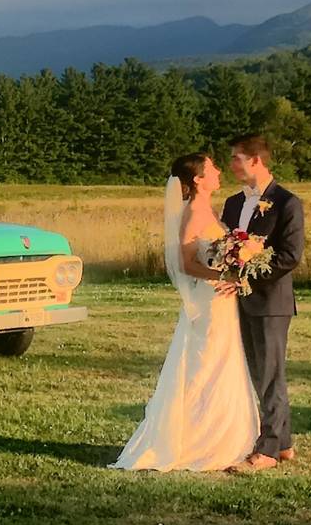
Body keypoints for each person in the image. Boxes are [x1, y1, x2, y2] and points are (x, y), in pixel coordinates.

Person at [109, 154, 259, 471]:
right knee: (205, 364)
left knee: (221, 362)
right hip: (208, 299)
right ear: (198, 180)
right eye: (212, 168)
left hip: (221, 299)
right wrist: (225, 276)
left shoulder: (208, 210)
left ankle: (221, 436)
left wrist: (238, 262)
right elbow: (187, 263)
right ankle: (196, 441)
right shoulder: (192, 214)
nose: (219, 172)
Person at [222, 134, 305, 472]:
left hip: (271, 301)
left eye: (236, 158)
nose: (231, 164)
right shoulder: (231, 203)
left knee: (271, 375)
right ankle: (283, 443)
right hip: (237, 303)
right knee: (257, 373)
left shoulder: (287, 203)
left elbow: (289, 257)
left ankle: (267, 450)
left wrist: (248, 276)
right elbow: (223, 245)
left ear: (255, 160)